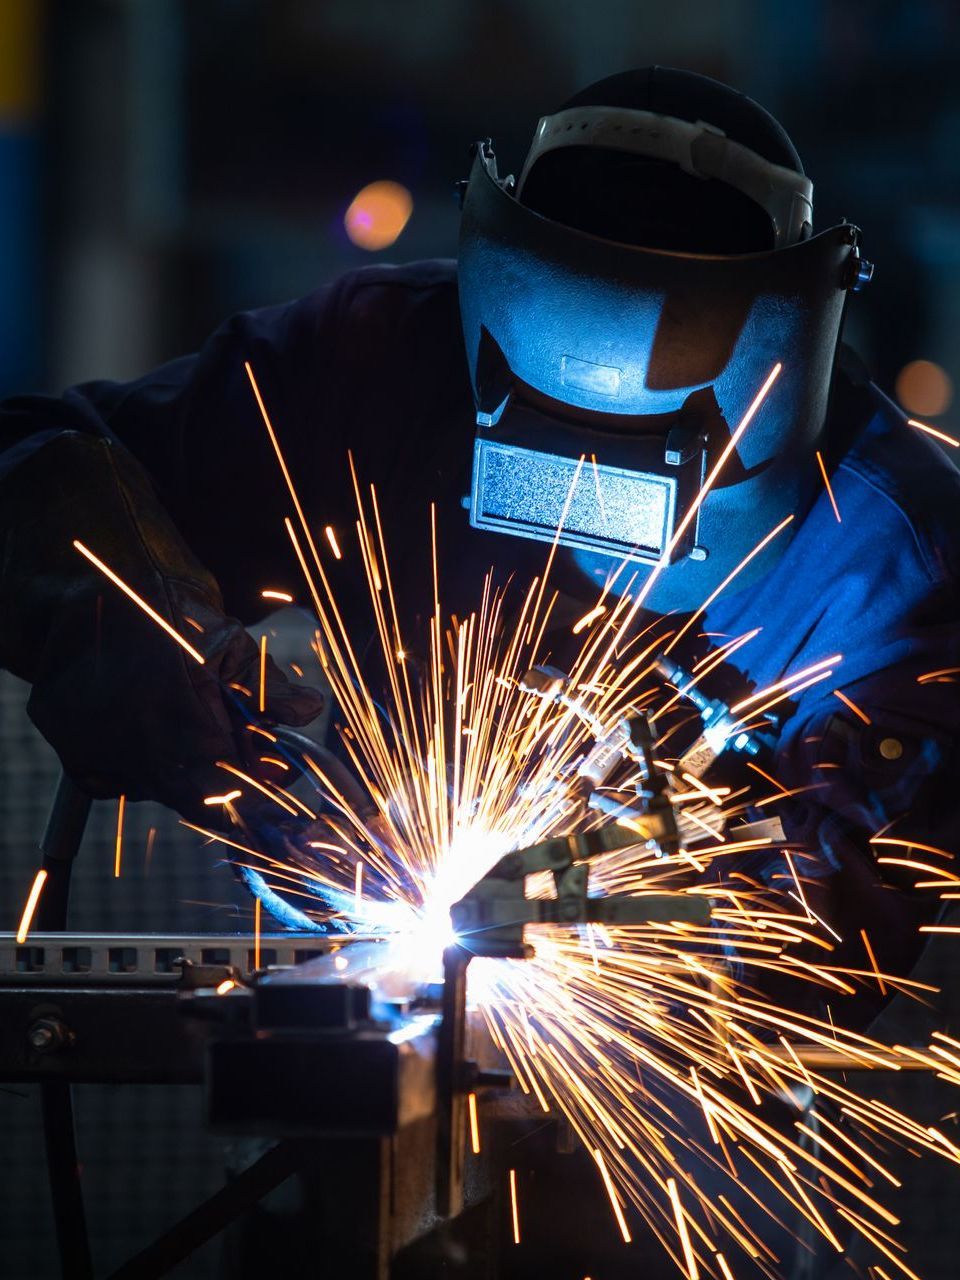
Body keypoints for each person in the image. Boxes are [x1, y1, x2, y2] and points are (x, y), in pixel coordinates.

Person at [3, 62, 958, 1279]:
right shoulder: (369, 368)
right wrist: (141, 634)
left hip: (684, 1176)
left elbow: (840, 909)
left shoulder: (894, 557)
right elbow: (38, 459)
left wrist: (637, 898)